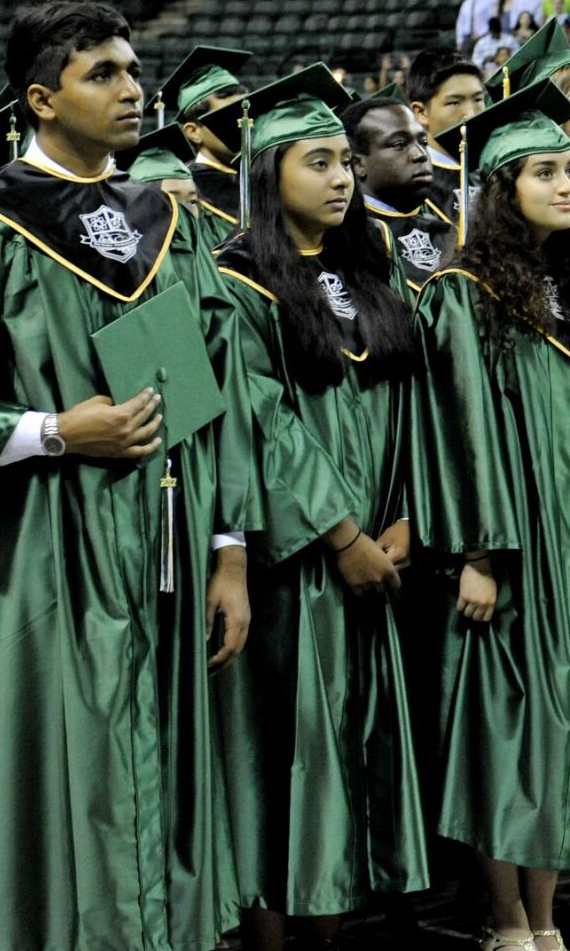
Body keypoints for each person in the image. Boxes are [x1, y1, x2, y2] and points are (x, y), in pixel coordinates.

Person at [0, 0, 255, 948]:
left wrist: (227, 551)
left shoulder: (161, 221)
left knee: (158, 764)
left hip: (163, 543)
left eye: (134, 70)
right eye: (103, 74)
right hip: (40, 550)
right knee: (66, 773)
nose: (133, 89)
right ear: (40, 98)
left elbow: (199, 400)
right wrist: (50, 431)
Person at [202, 65, 429, 951]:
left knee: (348, 750)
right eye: (318, 160)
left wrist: (405, 517)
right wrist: (342, 534)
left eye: (345, 161)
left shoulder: (369, 273)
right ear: (268, 174)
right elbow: (256, 422)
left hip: (381, 554)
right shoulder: (235, 280)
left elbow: (413, 405)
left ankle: (332, 935)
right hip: (295, 564)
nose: (341, 177)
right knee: (283, 755)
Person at [413, 79, 570, 951]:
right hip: (514, 548)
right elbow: (459, 434)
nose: (566, 184)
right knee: (509, 729)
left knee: (565, 729)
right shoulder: (464, 294)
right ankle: (504, 917)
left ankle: (544, 919)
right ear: (501, 191)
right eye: (543, 172)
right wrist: (479, 551)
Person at [342, 93, 455, 291]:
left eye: (423, 142)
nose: (420, 155)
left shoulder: (447, 229)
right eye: (400, 144)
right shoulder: (346, 240)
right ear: (358, 163)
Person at [150, 44, 251, 239]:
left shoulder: (268, 176)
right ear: (193, 132)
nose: (243, 124)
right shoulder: (185, 189)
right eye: (229, 116)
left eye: (247, 114)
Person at [407, 47, 487, 226]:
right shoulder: (410, 184)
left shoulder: (492, 172)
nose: (470, 113)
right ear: (421, 112)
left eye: (478, 100)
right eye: (454, 102)